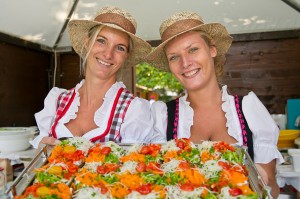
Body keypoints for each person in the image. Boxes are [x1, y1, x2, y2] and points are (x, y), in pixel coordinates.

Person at [147, 11, 284, 198]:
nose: (185, 63)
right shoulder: (162, 117)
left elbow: (272, 190)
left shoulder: (249, 109)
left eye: (193, 49)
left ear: (212, 50)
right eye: (174, 57)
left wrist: (263, 180)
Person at [31, 6, 153, 149]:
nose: (108, 54)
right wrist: (42, 148)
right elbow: (38, 156)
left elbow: (134, 165)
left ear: (126, 56)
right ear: (87, 42)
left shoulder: (133, 110)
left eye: (120, 48)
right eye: (101, 41)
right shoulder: (57, 100)